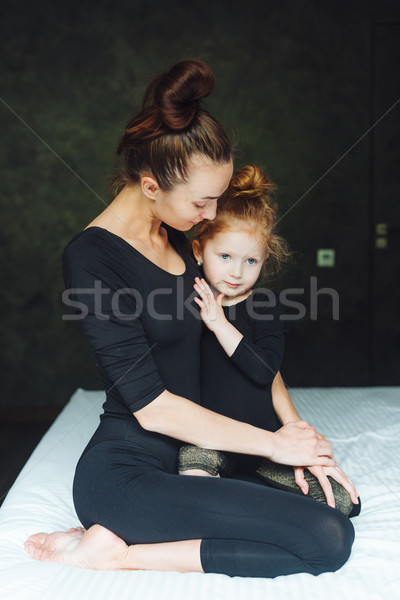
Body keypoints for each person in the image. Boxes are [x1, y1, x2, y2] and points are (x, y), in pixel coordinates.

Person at [24, 59, 356, 577]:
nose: (212, 214)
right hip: (129, 474)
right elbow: (153, 410)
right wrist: (275, 445)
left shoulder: (181, 239)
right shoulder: (92, 257)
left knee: (336, 507)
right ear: (151, 185)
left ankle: (119, 545)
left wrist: (301, 438)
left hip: (200, 456)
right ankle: (114, 555)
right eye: (203, 201)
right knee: (327, 540)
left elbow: (248, 348)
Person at [178, 165, 360, 517]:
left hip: (268, 444)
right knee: (193, 483)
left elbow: (264, 372)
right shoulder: (189, 303)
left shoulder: (265, 307)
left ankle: (247, 494)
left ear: (265, 259)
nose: (236, 272)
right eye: (225, 257)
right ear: (199, 251)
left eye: (251, 261)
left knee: (343, 503)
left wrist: (220, 325)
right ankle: (241, 502)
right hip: (212, 441)